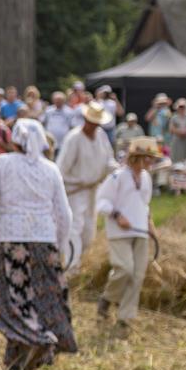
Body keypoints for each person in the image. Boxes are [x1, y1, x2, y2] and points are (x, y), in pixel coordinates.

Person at [0, 118, 77, 370]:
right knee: (43, 299)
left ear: (15, 141)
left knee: (11, 299)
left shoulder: (1, 163)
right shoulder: (50, 169)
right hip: (45, 240)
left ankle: (36, 339)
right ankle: (18, 362)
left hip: (11, 239)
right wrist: (59, 244)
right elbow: (64, 213)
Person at [95, 136, 160, 335]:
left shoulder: (147, 178)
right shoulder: (117, 177)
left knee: (137, 275)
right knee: (124, 269)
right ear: (137, 157)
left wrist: (150, 224)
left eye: (151, 158)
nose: (150, 161)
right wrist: (117, 215)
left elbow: (145, 204)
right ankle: (107, 299)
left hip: (140, 231)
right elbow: (101, 202)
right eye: (148, 157)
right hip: (120, 232)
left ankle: (125, 318)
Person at [56, 103, 116, 273]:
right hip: (75, 191)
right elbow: (61, 169)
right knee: (75, 226)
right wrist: (77, 182)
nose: (94, 126)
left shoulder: (101, 136)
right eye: (92, 122)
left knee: (89, 228)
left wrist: (118, 169)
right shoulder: (74, 138)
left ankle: (83, 263)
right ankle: (71, 266)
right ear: (85, 120)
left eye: (97, 123)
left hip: (94, 190)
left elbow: (109, 160)